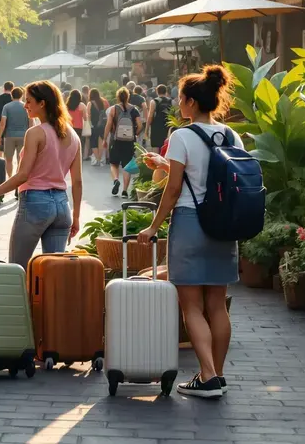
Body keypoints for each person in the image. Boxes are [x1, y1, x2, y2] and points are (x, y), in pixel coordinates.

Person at [138, 66, 240, 399]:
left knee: (191, 306)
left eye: (182, 99)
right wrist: (168, 166)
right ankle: (217, 375)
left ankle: (206, 376)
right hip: (224, 226)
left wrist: (154, 227)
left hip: (190, 224)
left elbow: (174, 189)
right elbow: (214, 175)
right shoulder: (230, 135)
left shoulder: (182, 137)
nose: (179, 104)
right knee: (217, 305)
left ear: (191, 102)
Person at [0, 81, 82, 265]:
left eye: (29, 101)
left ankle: (24, 295)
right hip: (62, 206)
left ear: (42, 103)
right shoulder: (72, 135)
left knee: (17, 268)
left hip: (35, 203)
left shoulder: (36, 133)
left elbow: (23, 175)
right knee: (53, 273)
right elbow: (77, 182)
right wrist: (76, 217)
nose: (25, 105)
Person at [103, 87, 143, 196]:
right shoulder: (134, 110)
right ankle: (125, 191)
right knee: (127, 165)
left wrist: (104, 139)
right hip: (129, 141)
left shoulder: (114, 109)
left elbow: (108, 125)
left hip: (116, 140)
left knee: (114, 163)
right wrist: (135, 134)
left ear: (117, 97)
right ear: (128, 97)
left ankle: (116, 180)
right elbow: (140, 125)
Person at [0, 87, 29, 179]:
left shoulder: (6, 107)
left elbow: (3, 123)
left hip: (9, 136)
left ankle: (10, 178)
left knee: (8, 159)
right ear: (22, 95)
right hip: (23, 136)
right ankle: (18, 179)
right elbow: (31, 122)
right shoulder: (26, 106)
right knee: (20, 159)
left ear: (11, 96)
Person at [148, 84, 174, 150]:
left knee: (156, 148)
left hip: (156, 128)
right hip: (167, 127)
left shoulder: (154, 102)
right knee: (167, 148)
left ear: (157, 92)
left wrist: (147, 129)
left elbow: (150, 116)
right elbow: (175, 116)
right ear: (166, 91)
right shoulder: (172, 101)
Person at [66, 89, 90, 160]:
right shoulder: (82, 105)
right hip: (79, 128)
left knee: (70, 144)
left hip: (69, 128)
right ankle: (77, 159)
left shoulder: (67, 105)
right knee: (79, 145)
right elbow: (85, 118)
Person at [89, 88, 109, 166]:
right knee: (101, 141)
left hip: (94, 125)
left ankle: (97, 159)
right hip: (103, 125)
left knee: (93, 142)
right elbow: (108, 112)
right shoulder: (104, 102)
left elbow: (88, 115)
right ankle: (101, 159)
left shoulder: (90, 103)